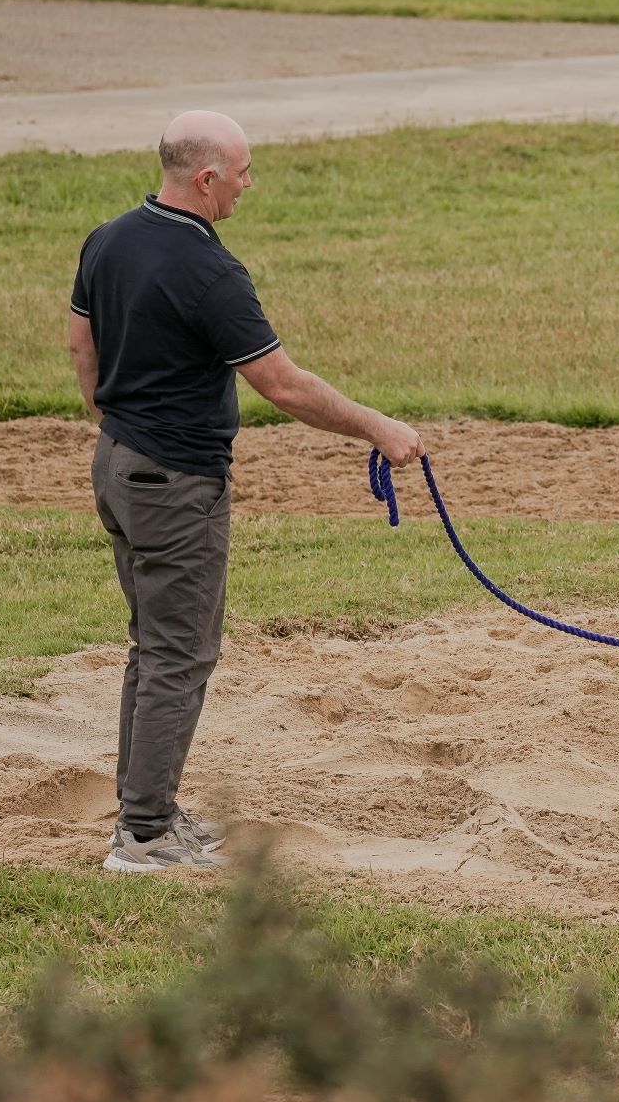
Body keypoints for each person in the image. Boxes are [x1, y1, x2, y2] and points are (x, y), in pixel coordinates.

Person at [66, 110, 423, 872]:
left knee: (153, 647)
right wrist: (379, 429)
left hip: (119, 464)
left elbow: (80, 342)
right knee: (179, 653)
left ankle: (147, 810)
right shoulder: (209, 271)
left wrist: (119, 421)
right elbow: (282, 385)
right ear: (206, 178)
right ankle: (146, 836)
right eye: (243, 172)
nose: (249, 185)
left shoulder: (109, 238)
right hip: (174, 482)